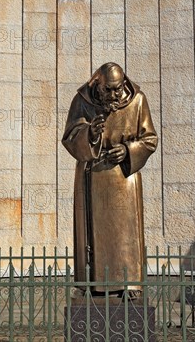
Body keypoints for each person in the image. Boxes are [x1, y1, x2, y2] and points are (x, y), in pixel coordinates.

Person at [61, 62, 158, 296]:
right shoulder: (82, 101)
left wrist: (127, 150)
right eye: (108, 90)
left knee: (126, 231)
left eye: (117, 89)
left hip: (124, 177)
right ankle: (91, 284)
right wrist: (91, 133)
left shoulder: (137, 101)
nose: (114, 95)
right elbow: (70, 137)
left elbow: (150, 139)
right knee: (92, 234)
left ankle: (130, 283)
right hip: (91, 176)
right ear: (97, 84)